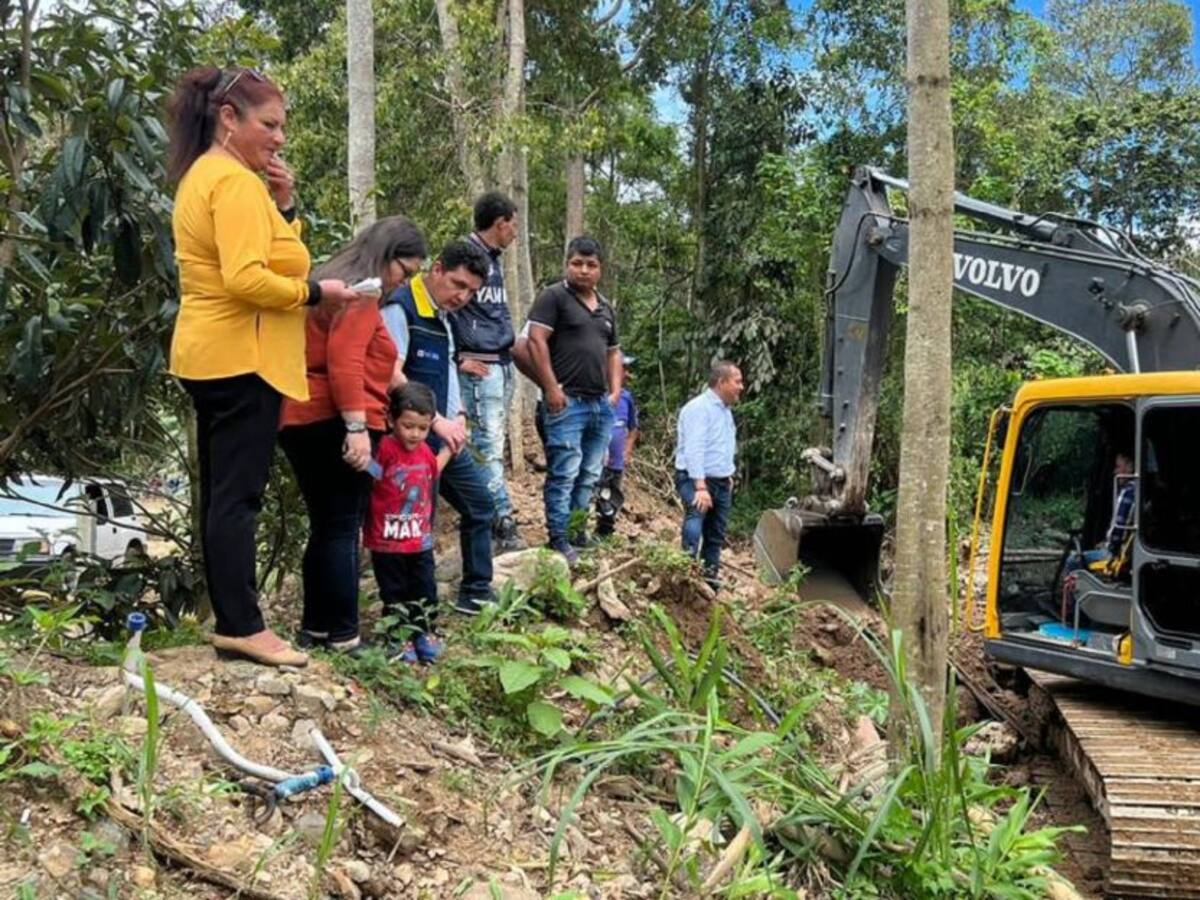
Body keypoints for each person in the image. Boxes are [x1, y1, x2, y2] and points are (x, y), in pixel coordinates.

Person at [166, 66, 357, 667]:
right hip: (241, 356)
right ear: (229, 119)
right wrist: (314, 295)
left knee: (225, 493)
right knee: (236, 496)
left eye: (282, 128)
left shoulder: (215, 176)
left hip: (214, 351)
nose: (278, 139)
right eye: (268, 125)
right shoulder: (232, 182)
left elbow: (275, 251)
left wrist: (285, 204)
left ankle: (235, 618)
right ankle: (243, 624)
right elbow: (249, 278)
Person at [278, 217, 427, 654]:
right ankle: (345, 635)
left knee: (326, 526)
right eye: (406, 271)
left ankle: (316, 630)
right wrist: (357, 428)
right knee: (343, 525)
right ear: (387, 256)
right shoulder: (363, 292)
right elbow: (346, 363)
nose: (403, 282)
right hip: (334, 416)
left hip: (299, 414)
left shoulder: (334, 282)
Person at [379, 240, 497, 615]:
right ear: (438, 269)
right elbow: (389, 371)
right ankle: (408, 614)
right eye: (458, 285)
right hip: (409, 441)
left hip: (444, 438)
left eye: (471, 291)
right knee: (414, 527)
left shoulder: (445, 317)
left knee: (481, 505)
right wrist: (436, 421)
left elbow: (447, 369)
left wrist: (458, 414)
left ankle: (476, 592)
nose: (462, 296)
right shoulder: (402, 307)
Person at [527, 236, 622, 565]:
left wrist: (615, 392)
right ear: (567, 264)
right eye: (577, 263)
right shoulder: (553, 297)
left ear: (600, 269)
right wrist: (551, 388)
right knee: (564, 472)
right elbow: (535, 342)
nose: (583, 270)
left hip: (599, 405)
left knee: (590, 474)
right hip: (567, 402)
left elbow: (613, 352)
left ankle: (577, 532)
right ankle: (558, 539)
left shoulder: (606, 306)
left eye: (591, 264)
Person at [450, 192, 525, 552]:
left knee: (493, 445)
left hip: (501, 362)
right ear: (501, 223)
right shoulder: (466, 258)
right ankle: (500, 522)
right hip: (480, 366)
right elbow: (444, 304)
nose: (516, 232)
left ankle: (494, 517)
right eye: (514, 223)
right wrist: (456, 358)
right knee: (487, 448)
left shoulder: (492, 260)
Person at [366, 383, 453, 663]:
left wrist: (449, 450)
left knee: (425, 587)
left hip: (419, 538)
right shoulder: (385, 449)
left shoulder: (426, 451)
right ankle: (397, 637)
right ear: (391, 420)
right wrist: (360, 461)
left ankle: (425, 633)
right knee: (393, 590)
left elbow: (431, 474)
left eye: (422, 428)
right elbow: (375, 475)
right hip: (387, 539)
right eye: (408, 426)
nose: (415, 434)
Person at [674, 361, 744, 589]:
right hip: (696, 478)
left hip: (721, 482)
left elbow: (722, 445)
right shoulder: (698, 408)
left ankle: (710, 580)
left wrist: (728, 474)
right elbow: (695, 449)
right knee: (696, 515)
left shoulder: (725, 411)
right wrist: (701, 486)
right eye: (737, 381)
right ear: (721, 382)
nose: (741, 387)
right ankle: (686, 571)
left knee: (715, 534)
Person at [1067, 451, 1136, 573]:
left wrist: (1108, 545)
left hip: (1113, 555)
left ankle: (1072, 591)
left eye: (1118, 467)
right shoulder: (1139, 490)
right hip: (1123, 553)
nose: (1115, 472)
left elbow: (1119, 528)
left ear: (1130, 468)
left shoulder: (1128, 493)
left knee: (1072, 561)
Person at [595, 357, 640, 537]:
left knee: (612, 497)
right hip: (597, 461)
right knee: (596, 494)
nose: (628, 374)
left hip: (616, 462)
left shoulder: (626, 398)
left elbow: (633, 427)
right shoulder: (596, 396)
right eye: (624, 369)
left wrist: (627, 450)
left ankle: (605, 533)